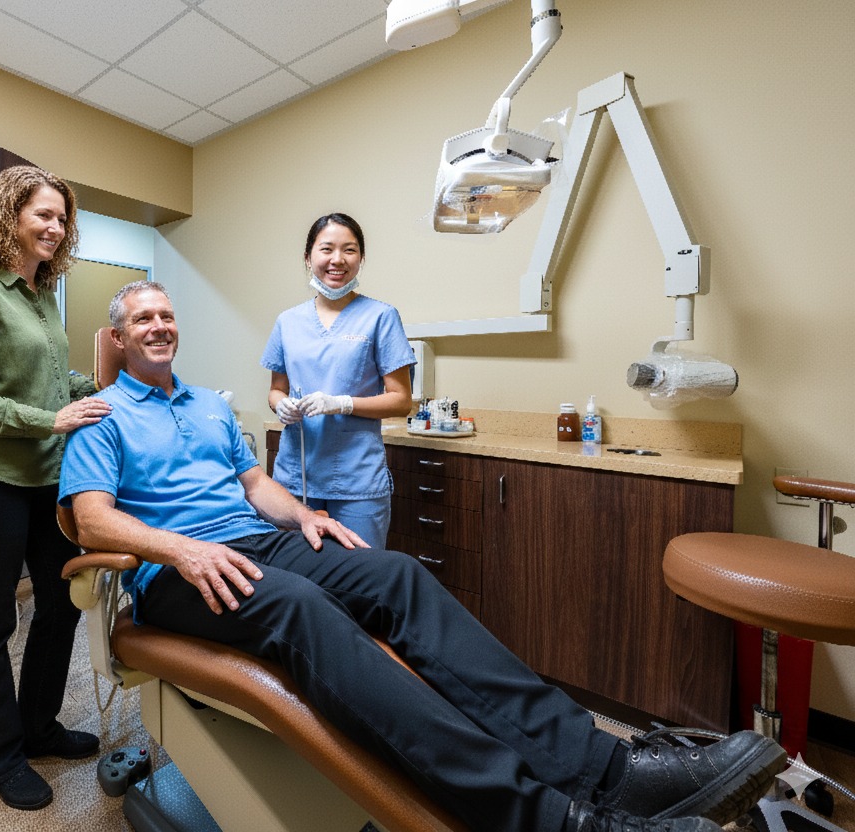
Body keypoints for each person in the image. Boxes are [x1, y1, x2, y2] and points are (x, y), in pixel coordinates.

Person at [58, 280, 785, 832]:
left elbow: (256, 486)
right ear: (118, 338)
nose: (159, 326)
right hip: (179, 574)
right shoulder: (102, 414)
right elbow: (91, 521)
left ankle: (609, 768)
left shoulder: (210, 406)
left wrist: (307, 515)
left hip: (258, 544)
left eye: (166, 315)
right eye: (142, 319)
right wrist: (180, 549)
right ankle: (548, 818)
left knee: (398, 573)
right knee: (304, 610)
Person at [0, 165, 112, 812]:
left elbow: (47, 379)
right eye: (43, 214)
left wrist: (97, 394)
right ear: (8, 215)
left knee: (63, 603)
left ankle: (37, 727)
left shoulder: (41, 297)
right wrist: (51, 419)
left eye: (62, 218)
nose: (55, 227)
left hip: (45, 479)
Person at [262, 213, 414, 548]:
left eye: (349, 250)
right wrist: (281, 405)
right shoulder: (287, 322)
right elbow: (276, 389)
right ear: (308, 257)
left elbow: (401, 400)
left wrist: (343, 403)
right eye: (326, 249)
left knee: (362, 580)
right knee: (300, 582)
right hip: (296, 476)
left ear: (360, 258)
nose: (337, 259)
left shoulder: (381, 317)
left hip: (357, 480)